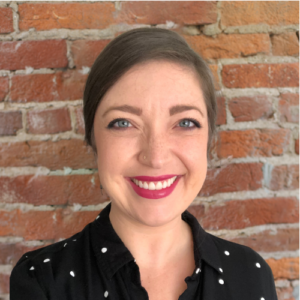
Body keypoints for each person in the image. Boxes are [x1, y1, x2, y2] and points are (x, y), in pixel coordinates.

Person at [10, 28, 277, 300]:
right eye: (123, 123)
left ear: (208, 139)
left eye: (185, 123)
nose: (155, 157)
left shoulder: (251, 274)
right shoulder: (42, 280)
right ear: (93, 139)